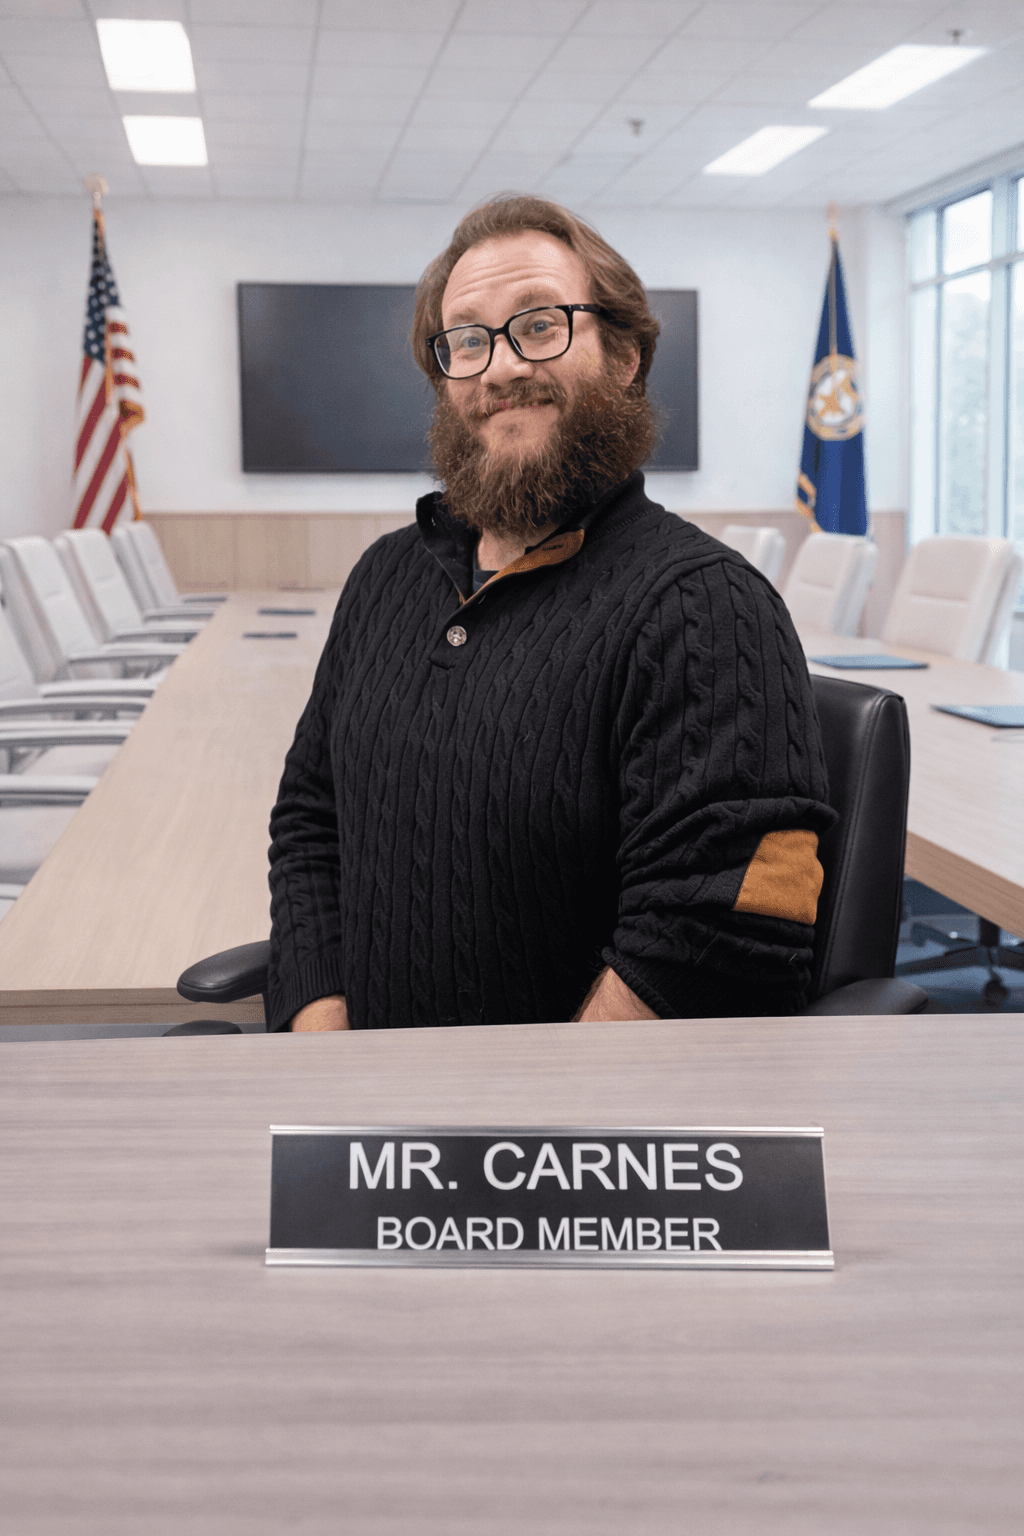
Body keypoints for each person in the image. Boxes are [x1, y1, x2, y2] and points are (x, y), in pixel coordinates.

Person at [267, 195, 835, 1032]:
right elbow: (312, 823)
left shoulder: (704, 606)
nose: (499, 369)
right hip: (373, 1130)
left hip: (576, 1141)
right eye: (467, 340)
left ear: (625, 357)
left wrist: (531, 1137)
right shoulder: (386, 577)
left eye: (539, 326)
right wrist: (325, 1059)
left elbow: (717, 932)